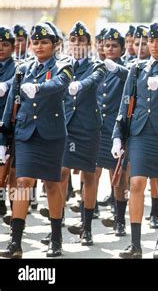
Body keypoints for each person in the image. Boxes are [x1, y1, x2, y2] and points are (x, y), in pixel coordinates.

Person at [0, 23, 73, 258]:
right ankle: (16, 241)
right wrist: (3, 138)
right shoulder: (22, 69)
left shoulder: (64, 65)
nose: (39, 46)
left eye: (44, 42)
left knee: (51, 185)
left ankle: (56, 238)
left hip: (51, 135)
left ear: (55, 45)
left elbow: (60, 84)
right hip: (25, 133)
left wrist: (38, 88)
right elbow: (11, 103)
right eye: (36, 42)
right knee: (22, 182)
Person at [112, 22, 158, 259]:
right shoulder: (137, 68)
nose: (153, 45)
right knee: (136, 183)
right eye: (150, 41)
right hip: (140, 132)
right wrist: (117, 136)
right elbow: (125, 102)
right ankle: (135, 244)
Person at [61, 21, 107, 246]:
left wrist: (78, 85)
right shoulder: (62, 65)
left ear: (89, 44)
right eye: (73, 40)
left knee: (89, 176)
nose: (77, 44)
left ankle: (86, 227)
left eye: (81, 40)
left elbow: (93, 81)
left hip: (88, 127)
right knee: (60, 174)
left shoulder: (97, 65)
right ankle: (56, 226)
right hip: (65, 126)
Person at [96, 28, 129, 237]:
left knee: (117, 177)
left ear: (122, 49)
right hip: (97, 128)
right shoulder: (97, 68)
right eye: (106, 45)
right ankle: (86, 220)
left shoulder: (127, 69)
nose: (109, 49)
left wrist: (116, 68)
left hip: (117, 129)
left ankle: (120, 219)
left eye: (114, 45)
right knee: (90, 174)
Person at [0, 26, 18, 218]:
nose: (1, 48)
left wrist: (6, 84)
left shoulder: (19, 67)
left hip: (11, 125)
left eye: (5, 45)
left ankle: (15, 213)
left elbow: (18, 81)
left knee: (14, 173)